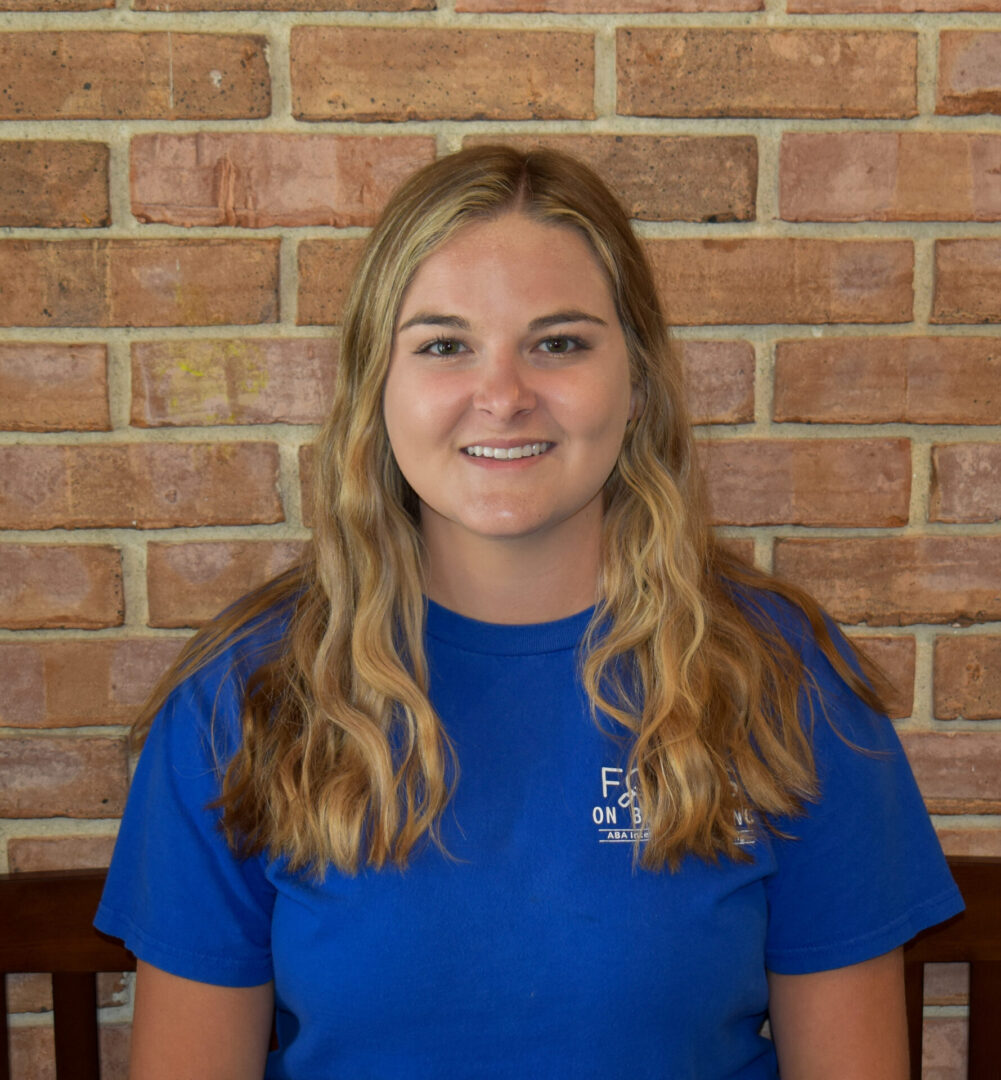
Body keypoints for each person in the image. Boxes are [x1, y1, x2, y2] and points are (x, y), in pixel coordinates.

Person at [96, 145, 963, 1080]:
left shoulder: (783, 678)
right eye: (442, 345)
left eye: (558, 343)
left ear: (635, 381)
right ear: (373, 387)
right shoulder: (245, 694)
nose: (503, 396)